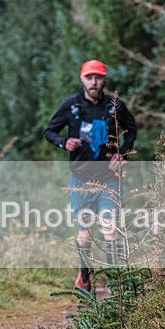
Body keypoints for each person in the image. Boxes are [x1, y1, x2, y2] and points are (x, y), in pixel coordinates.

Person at [44, 59, 137, 290]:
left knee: (110, 229)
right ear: (82, 79)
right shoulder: (71, 106)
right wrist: (64, 142)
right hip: (81, 180)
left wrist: (123, 154)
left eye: (98, 77)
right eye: (89, 77)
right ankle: (85, 278)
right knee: (85, 233)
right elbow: (49, 131)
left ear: (104, 79)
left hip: (108, 178)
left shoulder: (114, 105)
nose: (94, 81)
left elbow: (131, 129)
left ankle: (116, 286)